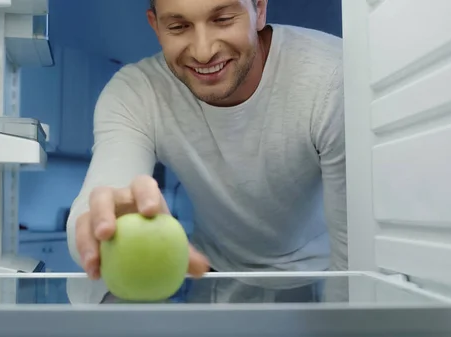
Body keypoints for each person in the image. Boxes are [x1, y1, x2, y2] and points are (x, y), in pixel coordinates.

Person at [65, 0, 347, 304]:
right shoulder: (137, 92)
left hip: (322, 274)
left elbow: (353, 247)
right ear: (156, 26)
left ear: (260, 10)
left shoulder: (333, 76)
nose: (203, 51)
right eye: (178, 26)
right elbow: (103, 188)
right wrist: (101, 223)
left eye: (223, 19)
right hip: (212, 273)